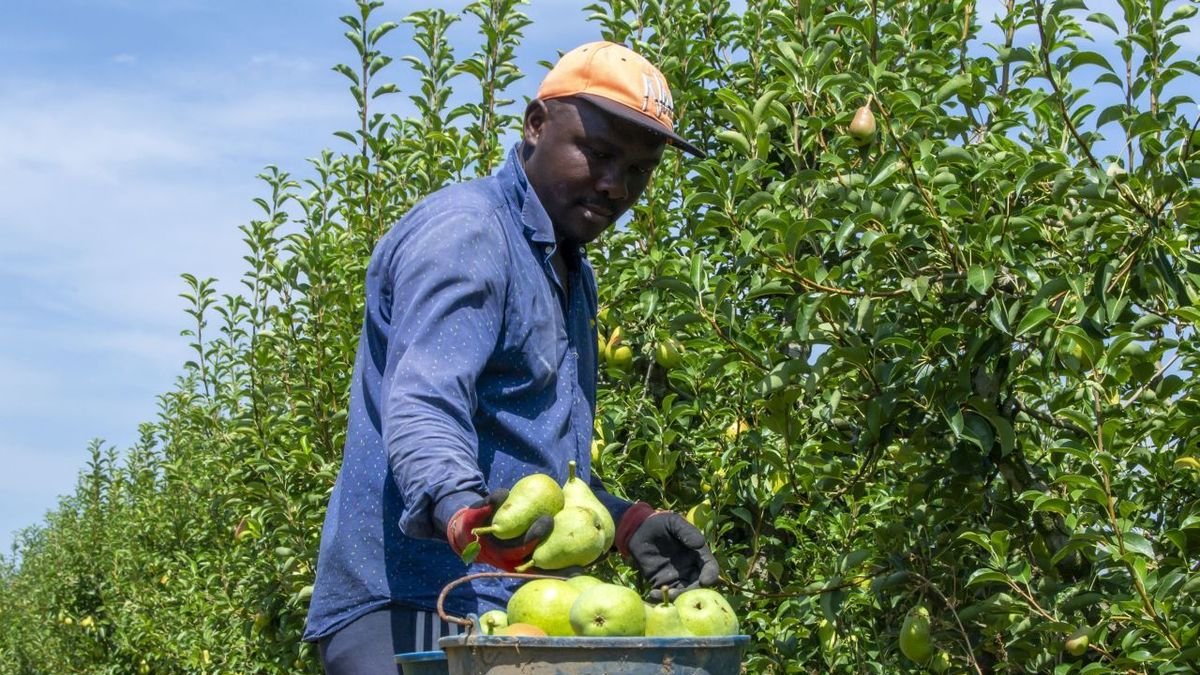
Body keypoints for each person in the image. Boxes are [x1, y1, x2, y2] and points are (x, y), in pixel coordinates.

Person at [302, 41, 719, 674]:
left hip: (517, 613)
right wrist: (464, 512)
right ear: (536, 125)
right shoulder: (471, 234)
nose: (616, 185)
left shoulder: (566, 269)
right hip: (416, 607)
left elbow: (530, 470)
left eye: (639, 169)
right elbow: (423, 404)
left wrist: (626, 523)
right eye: (599, 153)